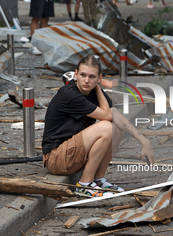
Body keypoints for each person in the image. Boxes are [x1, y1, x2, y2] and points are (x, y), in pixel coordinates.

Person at [42, 55, 155, 197]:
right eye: (82, 75)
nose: (87, 80)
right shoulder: (69, 94)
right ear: (76, 74)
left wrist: (145, 142)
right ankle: (85, 184)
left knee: (117, 127)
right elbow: (107, 116)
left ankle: (98, 180)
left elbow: (116, 116)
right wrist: (98, 87)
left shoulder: (93, 92)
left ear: (99, 78)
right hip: (56, 158)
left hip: (73, 154)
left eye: (92, 77)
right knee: (107, 127)